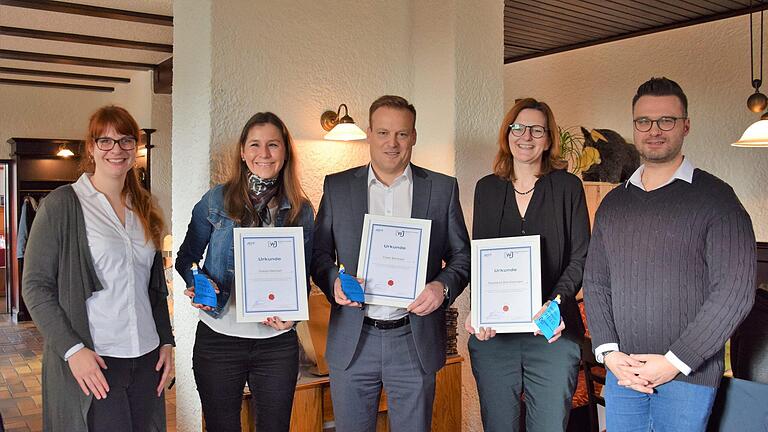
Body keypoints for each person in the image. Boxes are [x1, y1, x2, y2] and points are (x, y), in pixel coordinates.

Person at [583, 77, 756, 432]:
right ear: (634, 127)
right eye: (644, 121)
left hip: (686, 378)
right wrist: (609, 353)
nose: (654, 130)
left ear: (685, 125)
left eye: (667, 120)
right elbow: (597, 283)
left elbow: (734, 293)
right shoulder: (613, 204)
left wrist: (675, 362)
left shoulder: (717, 198)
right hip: (624, 374)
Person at [311, 95, 471, 431]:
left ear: (414, 136)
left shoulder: (441, 189)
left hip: (413, 339)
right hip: (354, 338)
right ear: (369, 133)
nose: (392, 143)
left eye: (401, 134)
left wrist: (441, 288)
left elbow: (462, 256)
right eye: (383, 133)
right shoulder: (337, 187)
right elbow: (319, 255)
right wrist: (333, 282)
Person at [22, 105, 174, 431]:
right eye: (105, 141)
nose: (116, 150)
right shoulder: (63, 204)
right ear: (91, 148)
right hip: (97, 359)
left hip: (147, 358)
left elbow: (152, 287)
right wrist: (73, 350)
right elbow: (35, 286)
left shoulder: (144, 206)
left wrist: (166, 341)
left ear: (136, 148)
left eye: (125, 141)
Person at [176, 112, 314, 432]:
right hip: (219, 341)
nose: (263, 154)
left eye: (273, 145)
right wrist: (197, 283)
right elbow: (187, 257)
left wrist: (294, 314)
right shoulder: (217, 200)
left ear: (285, 152)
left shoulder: (300, 210)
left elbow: (302, 277)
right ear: (242, 151)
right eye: (254, 144)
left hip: (276, 345)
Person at [464, 98, 590, 431]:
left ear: (549, 139)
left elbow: (580, 257)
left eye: (536, 129)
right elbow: (482, 260)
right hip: (496, 338)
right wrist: (480, 309)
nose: (526, 136)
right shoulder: (486, 189)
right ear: (507, 134)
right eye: (517, 127)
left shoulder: (568, 187)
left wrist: (556, 303)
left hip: (552, 334)